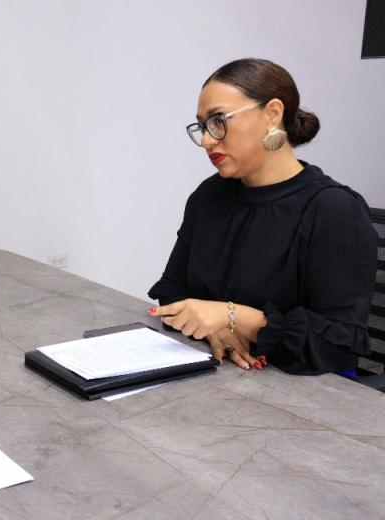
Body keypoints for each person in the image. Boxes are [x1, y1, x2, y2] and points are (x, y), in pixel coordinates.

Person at [148, 58, 376, 375]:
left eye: (218, 120)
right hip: (215, 378)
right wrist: (216, 329)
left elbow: (336, 348)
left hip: (304, 393)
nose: (207, 140)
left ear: (272, 114)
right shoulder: (209, 196)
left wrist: (235, 318)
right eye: (202, 126)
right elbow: (172, 293)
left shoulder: (334, 210)